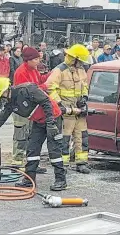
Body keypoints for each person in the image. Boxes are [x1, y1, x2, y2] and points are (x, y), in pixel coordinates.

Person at [0, 78, 67, 191]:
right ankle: (29, 179)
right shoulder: (10, 103)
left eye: (2, 96)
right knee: (32, 150)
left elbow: (46, 102)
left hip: (53, 118)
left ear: (7, 90)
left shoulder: (28, 90)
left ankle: (61, 180)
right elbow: (0, 119)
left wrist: (51, 123)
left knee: (54, 150)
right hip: (38, 121)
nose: (2, 99)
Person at [45, 44, 91, 174]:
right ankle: (62, 164)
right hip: (65, 110)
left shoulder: (81, 70)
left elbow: (85, 85)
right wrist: (59, 104)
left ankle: (81, 162)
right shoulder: (59, 70)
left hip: (79, 108)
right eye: (80, 61)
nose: (82, 63)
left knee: (82, 136)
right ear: (74, 59)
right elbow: (50, 88)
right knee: (64, 138)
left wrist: (85, 98)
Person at [11, 47, 50, 173]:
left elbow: (39, 81)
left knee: (31, 137)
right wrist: (44, 87)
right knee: (21, 135)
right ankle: (17, 162)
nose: (38, 61)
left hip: (32, 109)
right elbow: (30, 91)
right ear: (28, 60)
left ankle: (31, 163)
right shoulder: (21, 72)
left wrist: (50, 76)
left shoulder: (34, 70)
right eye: (36, 59)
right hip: (22, 109)